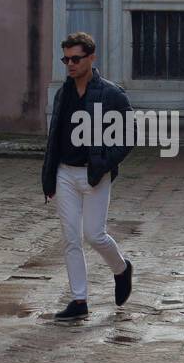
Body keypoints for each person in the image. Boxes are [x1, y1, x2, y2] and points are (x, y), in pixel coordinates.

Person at [41, 32, 134, 323]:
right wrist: (49, 177)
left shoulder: (112, 94)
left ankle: (122, 269)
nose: (70, 64)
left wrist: (105, 163)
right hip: (65, 173)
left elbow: (129, 135)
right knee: (71, 238)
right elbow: (54, 138)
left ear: (91, 57)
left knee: (94, 235)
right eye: (66, 59)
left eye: (76, 59)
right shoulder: (63, 93)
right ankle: (79, 300)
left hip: (95, 174)